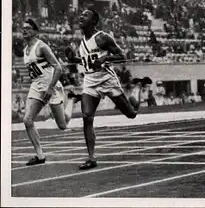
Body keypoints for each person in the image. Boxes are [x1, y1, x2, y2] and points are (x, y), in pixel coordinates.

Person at [65, 9, 139, 170]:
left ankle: (136, 95)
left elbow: (122, 56)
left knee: (131, 114)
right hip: (90, 81)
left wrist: (106, 58)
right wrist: (73, 59)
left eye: (85, 15)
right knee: (87, 116)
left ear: (94, 21)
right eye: (81, 14)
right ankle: (91, 158)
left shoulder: (102, 37)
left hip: (107, 80)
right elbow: (87, 61)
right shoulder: (81, 42)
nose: (81, 17)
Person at [22, 19, 76, 166]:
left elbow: (58, 68)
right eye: (23, 29)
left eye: (27, 28)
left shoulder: (42, 47)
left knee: (63, 124)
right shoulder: (25, 50)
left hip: (51, 85)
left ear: (34, 31)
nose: (24, 31)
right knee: (27, 120)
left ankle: (71, 100)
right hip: (37, 86)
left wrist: (51, 87)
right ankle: (40, 156)